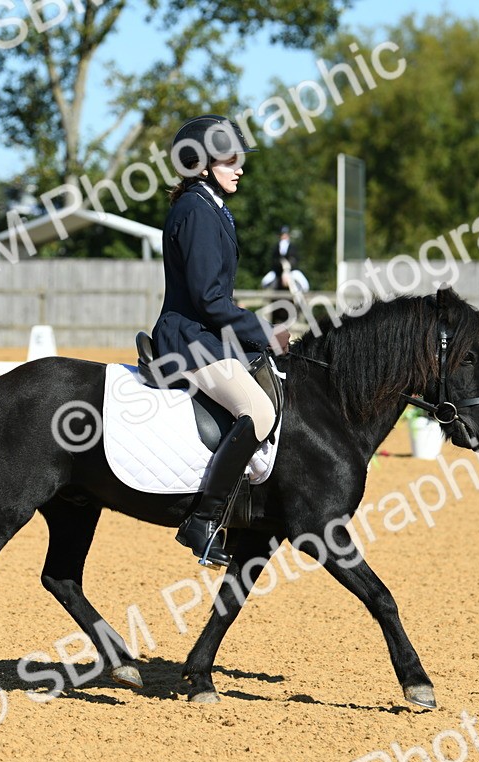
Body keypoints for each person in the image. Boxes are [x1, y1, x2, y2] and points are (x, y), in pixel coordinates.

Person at [152, 114, 290, 568]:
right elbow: (209, 299)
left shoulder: (209, 205)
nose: (240, 168)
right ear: (203, 163)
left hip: (205, 335)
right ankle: (202, 521)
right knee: (259, 411)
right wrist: (264, 332)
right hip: (189, 340)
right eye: (231, 160)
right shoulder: (196, 210)